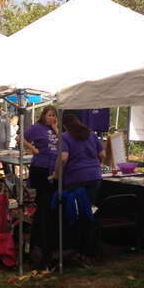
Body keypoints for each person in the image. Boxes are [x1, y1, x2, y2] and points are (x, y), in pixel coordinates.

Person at [57, 112, 106, 259]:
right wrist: (97, 165)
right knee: (88, 211)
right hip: (95, 176)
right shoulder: (91, 134)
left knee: (74, 213)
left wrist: (57, 173)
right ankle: (91, 247)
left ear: (64, 125)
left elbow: (64, 157)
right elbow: (103, 153)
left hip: (75, 177)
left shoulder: (65, 137)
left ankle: (76, 246)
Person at [24, 106, 59, 269]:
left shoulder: (55, 129)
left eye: (53, 115)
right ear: (43, 116)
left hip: (54, 168)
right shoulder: (36, 128)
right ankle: (41, 246)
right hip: (41, 167)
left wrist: (56, 129)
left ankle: (41, 240)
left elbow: (63, 146)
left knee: (47, 205)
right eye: (48, 115)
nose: (51, 117)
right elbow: (21, 138)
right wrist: (33, 149)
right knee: (44, 202)